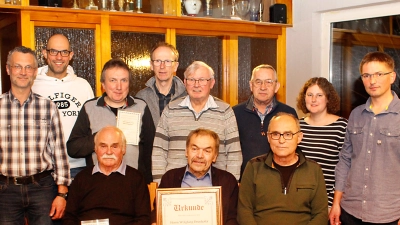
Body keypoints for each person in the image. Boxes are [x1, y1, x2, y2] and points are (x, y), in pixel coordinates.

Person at [0, 46, 70, 224]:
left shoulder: (48, 107)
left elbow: (59, 152)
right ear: (8, 69)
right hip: (5, 190)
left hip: (42, 188)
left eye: (29, 67)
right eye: (17, 66)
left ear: (35, 72)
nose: (23, 72)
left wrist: (62, 193)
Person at [329, 52, 400, 225]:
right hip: (350, 211)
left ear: (392, 77)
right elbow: (345, 160)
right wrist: (336, 202)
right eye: (367, 75)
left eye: (378, 74)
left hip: (388, 214)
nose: (372, 81)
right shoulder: (355, 114)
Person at [67, 58, 155, 184]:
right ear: (103, 85)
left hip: (133, 184)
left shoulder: (141, 106)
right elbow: (73, 148)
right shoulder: (89, 107)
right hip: (97, 184)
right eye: (113, 80)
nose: (118, 87)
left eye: (123, 80)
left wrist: (148, 182)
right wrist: (100, 138)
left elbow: (150, 148)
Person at [152, 61, 242, 181]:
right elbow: (159, 150)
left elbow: (234, 153)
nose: (196, 85)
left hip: (214, 185)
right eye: (191, 80)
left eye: (202, 80)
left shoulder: (225, 111)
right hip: (175, 185)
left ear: (212, 83)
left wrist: (230, 185)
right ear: (185, 83)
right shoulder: (170, 109)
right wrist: (160, 185)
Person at [237, 112, 328, 225]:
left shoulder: (314, 170)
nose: (281, 141)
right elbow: (244, 210)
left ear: (299, 137)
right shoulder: (254, 167)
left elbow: (321, 214)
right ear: (268, 137)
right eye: (275, 134)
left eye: (288, 134)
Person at [32, 33, 95, 178]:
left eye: (64, 52)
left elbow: (92, 126)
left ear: (70, 55)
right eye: (53, 51)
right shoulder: (33, 85)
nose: (59, 57)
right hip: (45, 170)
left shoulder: (83, 85)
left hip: (80, 167)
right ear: (44, 54)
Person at [63, 126, 151, 225]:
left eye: (114, 146)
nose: (109, 152)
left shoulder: (136, 178)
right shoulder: (81, 178)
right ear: (95, 149)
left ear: (123, 149)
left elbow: (144, 219)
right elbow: (69, 218)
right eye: (103, 146)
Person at [153, 128, 239, 225]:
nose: (199, 155)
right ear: (186, 151)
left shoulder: (228, 181)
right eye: (194, 149)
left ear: (215, 156)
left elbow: (232, 219)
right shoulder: (169, 177)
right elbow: (157, 212)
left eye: (207, 151)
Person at [233, 64, 297, 177]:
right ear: (251, 85)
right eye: (258, 82)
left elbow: (295, 150)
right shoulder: (235, 113)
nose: (263, 87)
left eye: (269, 82)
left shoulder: (288, 113)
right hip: (246, 180)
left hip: (280, 179)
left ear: (276, 86)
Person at [296, 77, 347, 208]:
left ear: (328, 99)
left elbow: (345, 167)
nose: (313, 100)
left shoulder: (342, 127)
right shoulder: (297, 126)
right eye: (310, 95)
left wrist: (332, 203)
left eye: (319, 95)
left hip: (328, 202)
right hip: (299, 200)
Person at [135, 42, 187, 127]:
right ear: (151, 65)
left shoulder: (188, 96)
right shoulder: (141, 98)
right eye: (158, 61)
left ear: (175, 66)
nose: (162, 66)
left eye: (167, 61)